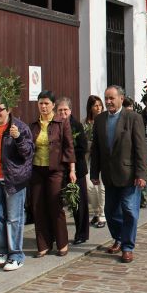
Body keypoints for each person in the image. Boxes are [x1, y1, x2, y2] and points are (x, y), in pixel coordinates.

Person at [90, 85, 147, 264]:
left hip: (129, 174)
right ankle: (119, 237)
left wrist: (141, 173)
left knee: (129, 210)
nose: (108, 102)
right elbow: (96, 149)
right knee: (110, 211)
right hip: (109, 174)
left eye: (111, 98)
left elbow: (140, 148)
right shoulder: (100, 120)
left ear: (121, 98)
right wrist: (94, 172)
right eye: (106, 98)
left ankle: (127, 247)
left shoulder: (133, 118)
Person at [0, 96, 34, 272]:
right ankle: (2, 250)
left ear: (8, 109)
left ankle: (16, 255)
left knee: (14, 218)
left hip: (14, 179)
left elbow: (28, 153)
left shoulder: (19, 128)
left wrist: (18, 138)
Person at [29, 90, 75, 258]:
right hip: (36, 170)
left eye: (47, 103)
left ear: (53, 105)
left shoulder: (61, 123)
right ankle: (43, 244)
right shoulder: (34, 125)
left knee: (55, 205)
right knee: (37, 206)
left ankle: (62, 243)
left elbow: (69, 147)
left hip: (55, 170)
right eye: (41, 103)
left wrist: (72, 170)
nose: (43, 106)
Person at [54, 97, 90, 245]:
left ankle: (81, 233)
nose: (63, 113)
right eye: (60, 110)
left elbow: (83, 148)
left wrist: (68, 153)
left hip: (77, 169)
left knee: (79, 203)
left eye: (65, 110)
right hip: (59, 169)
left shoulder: (76, 126)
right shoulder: (54, 125)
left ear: (70, 110)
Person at [83, 95, 107, 228]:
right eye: (95, 106)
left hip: (103, 158)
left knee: (102, 187)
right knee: (90, 187)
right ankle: (97, 212)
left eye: (100, 105)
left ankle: (102, 214)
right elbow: (80, 141)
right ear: (90, 108)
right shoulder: (84, 123)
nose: (98, 108)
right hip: (88, 157)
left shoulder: (106, 120)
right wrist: (89, 144)